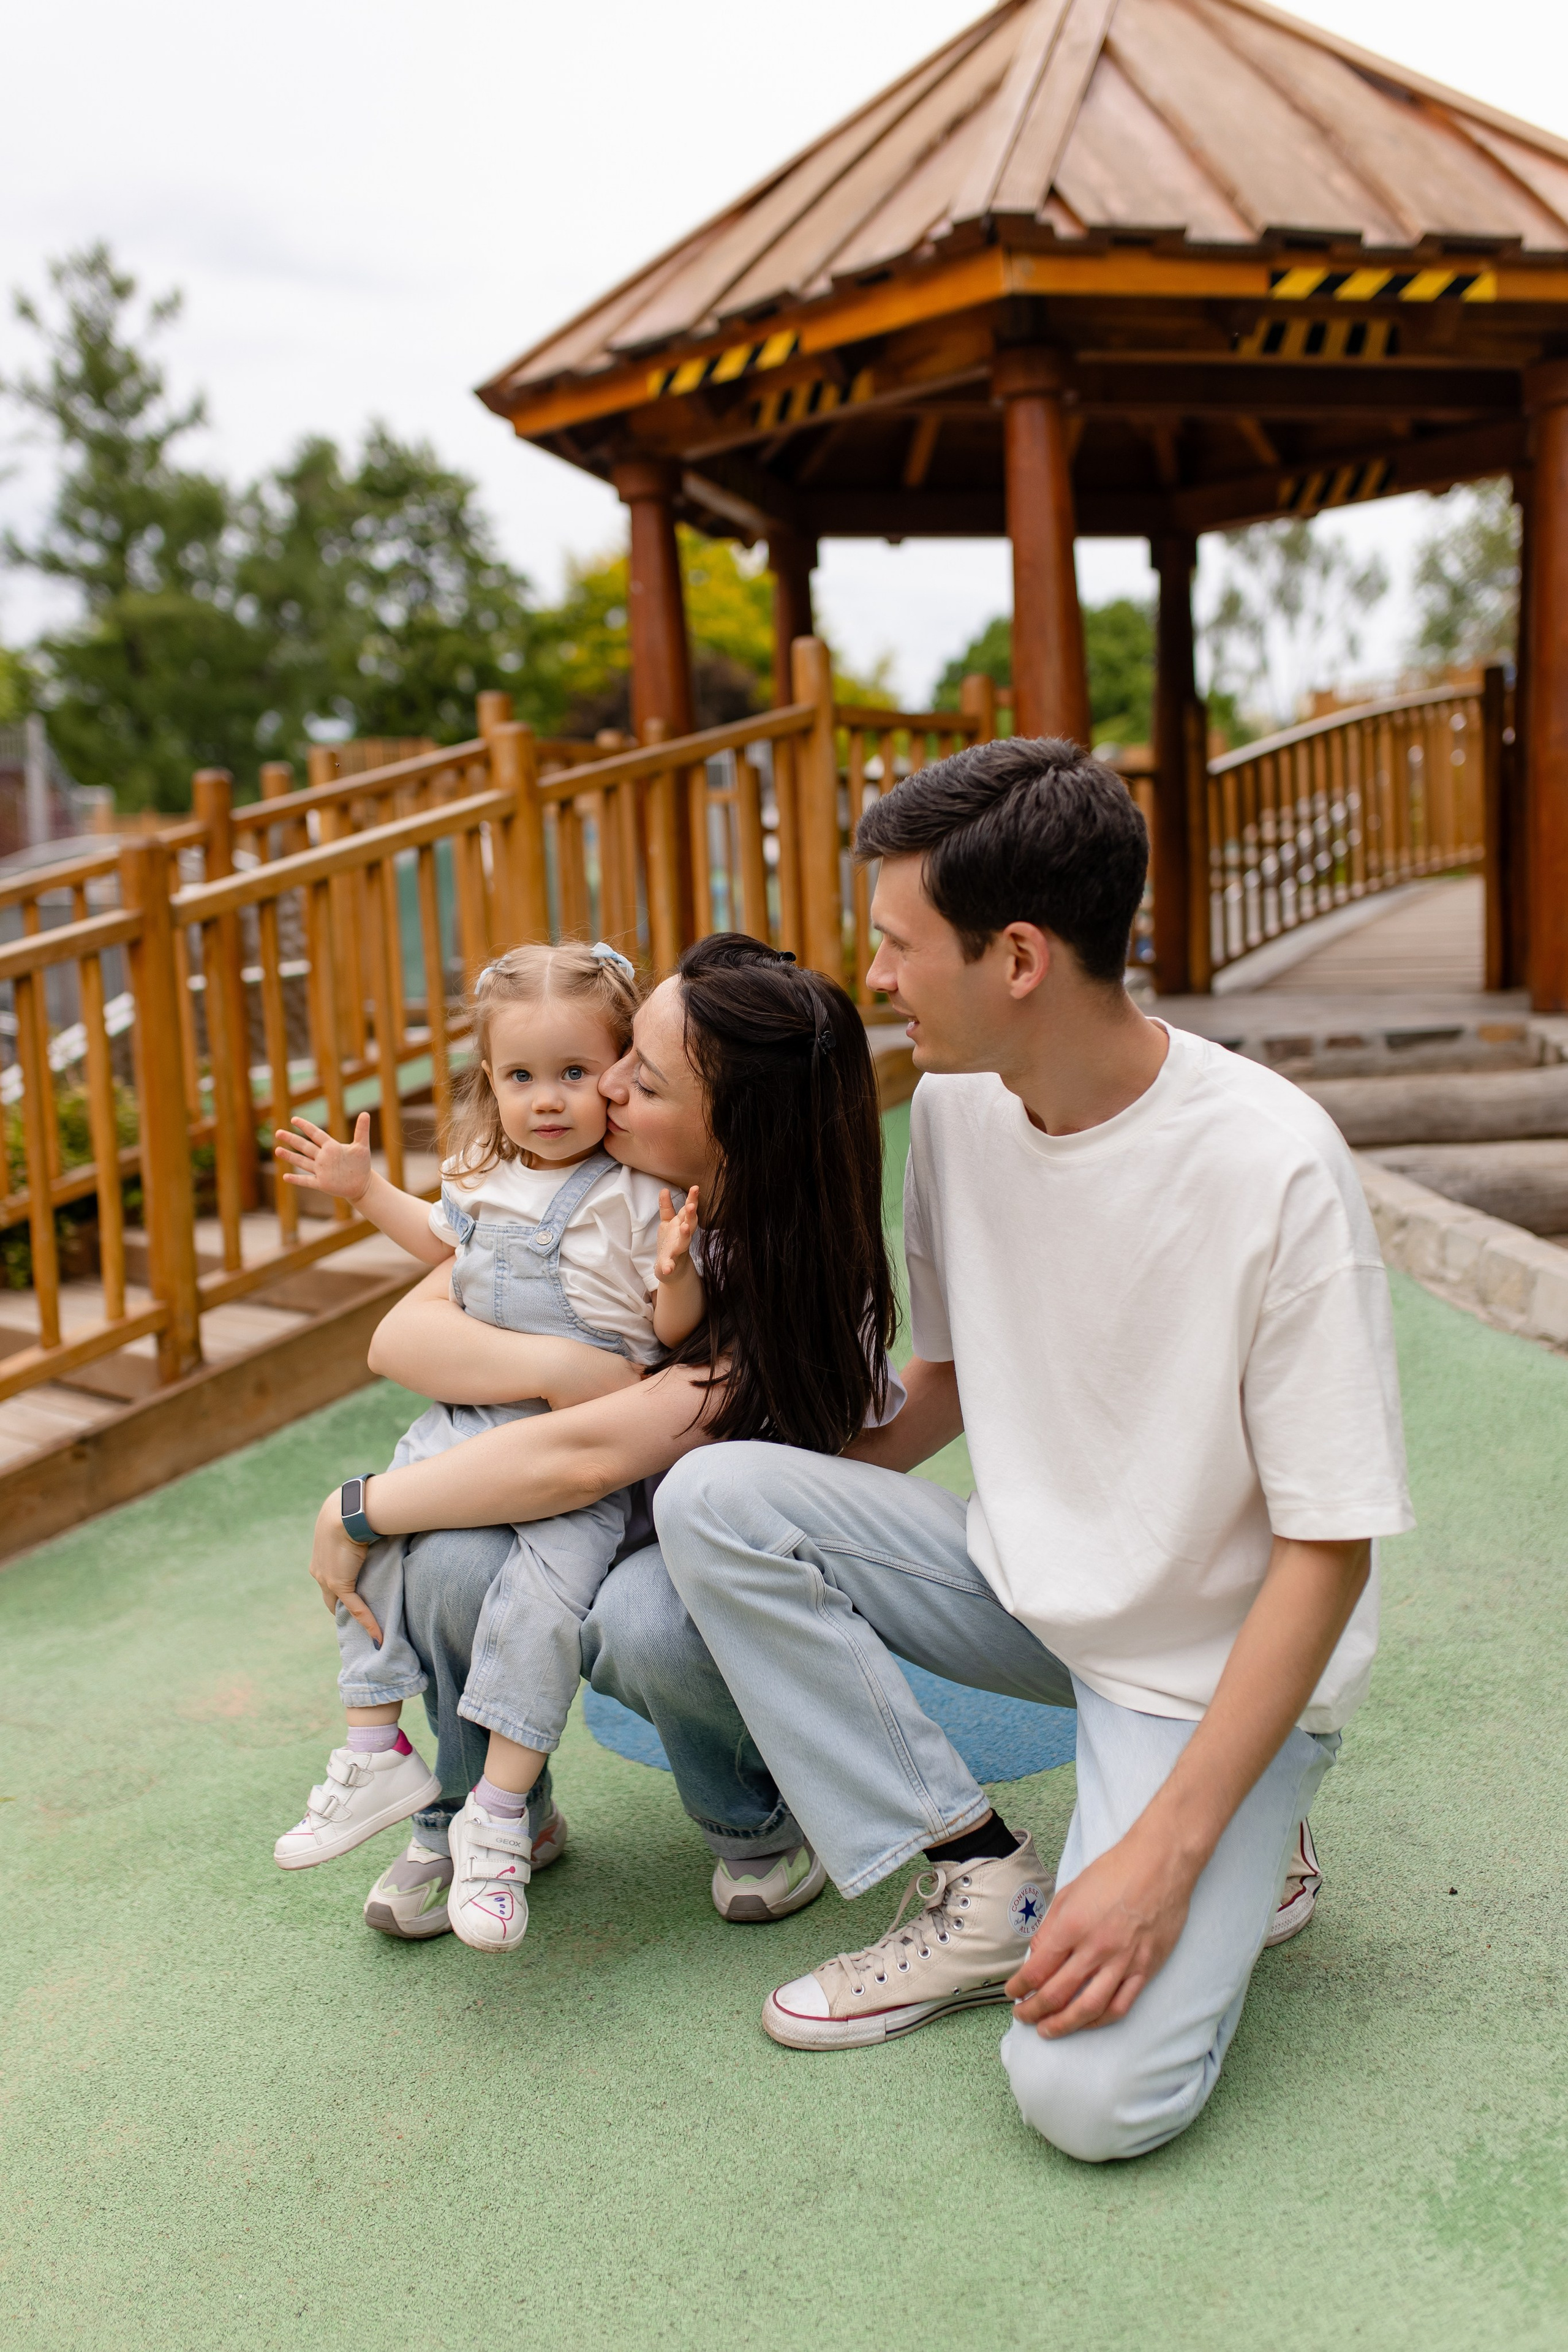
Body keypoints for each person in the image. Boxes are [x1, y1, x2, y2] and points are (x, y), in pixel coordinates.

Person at [651, 737, 1413, 2162]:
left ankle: (1246, 1828)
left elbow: (1327, 1548)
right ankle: (977, 1882)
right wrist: (690, 1496)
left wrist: (1163, 1861)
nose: (873, 976)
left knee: (1084, 2100)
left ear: (1014, 958)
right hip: (1029, 1586)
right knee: (714, 1499)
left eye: (895, 944)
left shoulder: (1273, 1164)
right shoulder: (953, 1103)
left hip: (1212, 1666)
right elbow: (939, 1381)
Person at [299, 932, 900, 1942]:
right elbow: (404, 1332)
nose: (603, 1091)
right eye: (605, 1065)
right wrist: (553, 1366)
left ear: (730, 1125)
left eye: (637, 1076)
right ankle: (483, 1820)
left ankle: (748, 1816)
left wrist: (355, 1507)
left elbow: (595, 1454)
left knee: (646, 1622)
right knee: (447, 1567)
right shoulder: (555, 1188)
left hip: (679, 1517)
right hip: (580, 1461)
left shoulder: (736, 1250)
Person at [271, 939, 705, 1954]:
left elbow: (671, 1334)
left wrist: (680, 1275)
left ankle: (501, 1821)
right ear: (489, 1085)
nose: (546, 1100)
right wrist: (364, 1190)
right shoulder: (484, 1173)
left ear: (619, 1075)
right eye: (520, 1077)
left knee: (538, 1614)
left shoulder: (634, 1193)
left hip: (574, 1449)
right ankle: (376, 1744)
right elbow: (442, 1243)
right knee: (384, 1553)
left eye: (571, 1075)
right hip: (469, 1429)